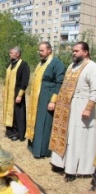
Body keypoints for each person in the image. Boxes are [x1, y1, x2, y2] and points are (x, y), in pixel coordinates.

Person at [49, 41, 96, 182]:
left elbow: (95, 90)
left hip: (81, 107)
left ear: (85, 52)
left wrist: (88, 108)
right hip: (66, 108)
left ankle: (72, 170)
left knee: (76, 139)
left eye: (76, 51)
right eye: (73, 51)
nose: (73, 53)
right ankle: (60, 163)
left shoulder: (92, 67)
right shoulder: (71, 66)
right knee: (65, 136)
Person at [25, 42, 65, 158]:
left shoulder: (56, 63)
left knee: (44, 123)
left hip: (47, 98)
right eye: (39, 51)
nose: (40, 53)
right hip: (38, 98)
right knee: (37, 122)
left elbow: (60, 83)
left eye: (42, 51)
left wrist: (53, 101)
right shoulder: (41, 63)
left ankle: (42, 151)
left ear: (49, 50)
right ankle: (34, 147)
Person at [3, 47, 30, 141]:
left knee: (18, 114)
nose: (9, 54)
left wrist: (20, 95)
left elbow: (25, 81)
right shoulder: (10, 65)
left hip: (17, 93)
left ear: (17, 54)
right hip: (9, 93)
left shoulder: (23, 65)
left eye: (11, 53)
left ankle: (18, 133)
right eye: (10, 53)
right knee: (9, 112)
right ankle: (10, 132)